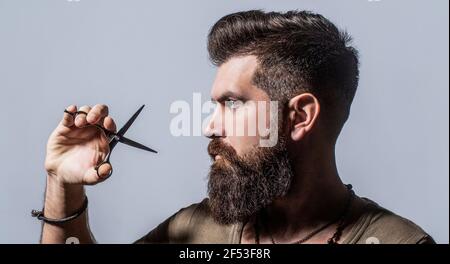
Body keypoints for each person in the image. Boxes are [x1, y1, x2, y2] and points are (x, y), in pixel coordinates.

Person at [39, 10, 434, 244]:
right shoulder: (196, 230)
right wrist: (64, 185)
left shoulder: (399, 240)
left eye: (232, 103)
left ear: (299, 116)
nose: (210, 127)